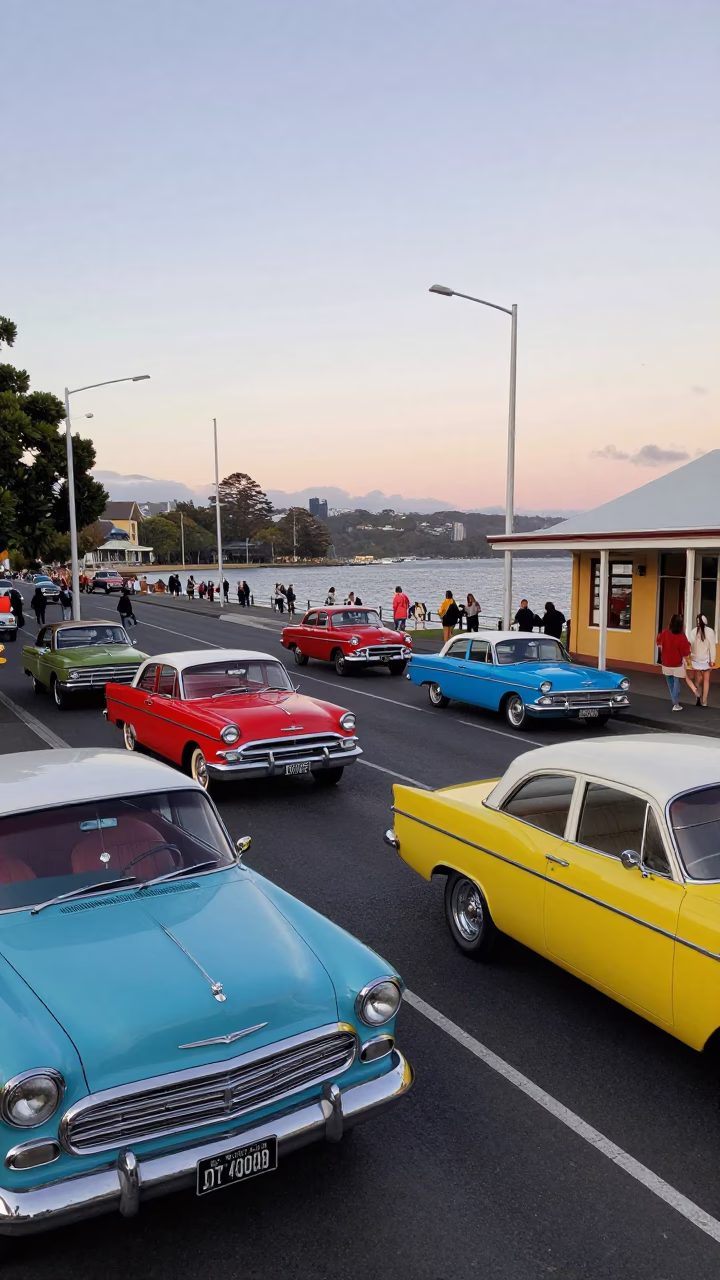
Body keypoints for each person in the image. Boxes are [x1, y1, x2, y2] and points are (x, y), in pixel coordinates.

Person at [657, 614, 691, 711]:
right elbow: (685, 652)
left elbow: (658, 642)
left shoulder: (665, 632)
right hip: (678, 664)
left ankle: (675, 701)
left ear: (671, 622)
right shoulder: (682, 636)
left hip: (666, 663)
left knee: (671, 684)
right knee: (676, 683)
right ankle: (675, 703)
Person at [689, 614, 716, 707]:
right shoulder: (710, 632)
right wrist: (712, 660)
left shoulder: (693, 632)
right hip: (706, 661)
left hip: (696, 660)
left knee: (697, 681)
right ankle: (704, 701)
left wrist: (690, 657)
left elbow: (690, 646)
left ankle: (698, 696)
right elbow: (712, 647)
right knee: (706, 681)